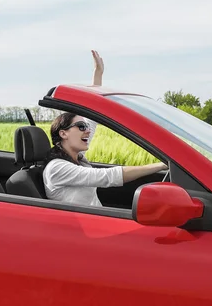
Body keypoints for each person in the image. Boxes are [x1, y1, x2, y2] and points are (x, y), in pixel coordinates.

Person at [42, 50, 167, 207]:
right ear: (63, 133)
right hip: (83, 229)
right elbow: (107, 176)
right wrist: (162, 164)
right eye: (81, 127)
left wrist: (98, 74)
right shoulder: (57, 168)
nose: (87, 130)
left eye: (85, 127)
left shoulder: (77, 158)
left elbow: (92, 118)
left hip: (97, 220)